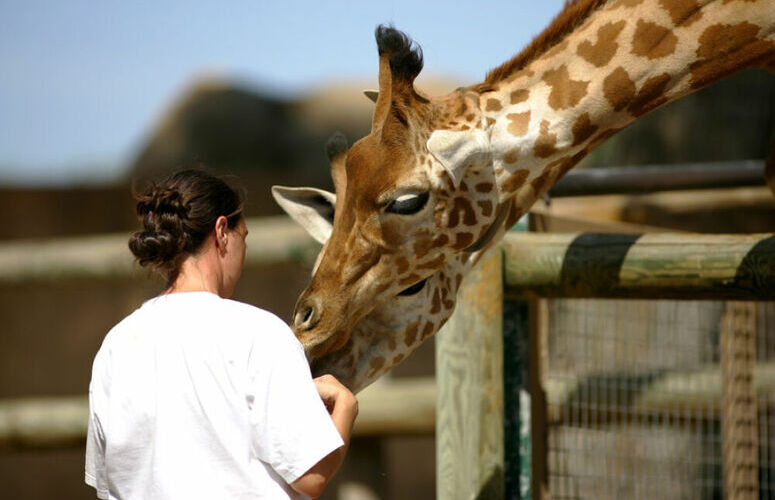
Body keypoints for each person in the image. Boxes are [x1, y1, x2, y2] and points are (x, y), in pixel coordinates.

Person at [85, 169, 358, 499]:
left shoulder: (117, 344)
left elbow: (110, 482)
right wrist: (345, 405)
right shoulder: (261, 333)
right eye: (244, 236)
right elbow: (311, 476)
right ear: (221, 232)